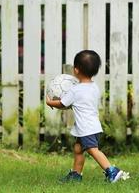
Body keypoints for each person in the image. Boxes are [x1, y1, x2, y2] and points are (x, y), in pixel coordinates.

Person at [46, 50, 125, 183]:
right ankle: (76, 175)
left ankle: (111, 170)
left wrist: (50, 102)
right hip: (92, 125)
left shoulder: (75, 90)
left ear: (76, 70)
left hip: (86, 128)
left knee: (93, 150)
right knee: (78, 150)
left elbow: (62, 103)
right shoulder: (94, 87)